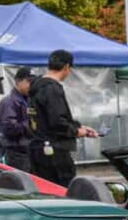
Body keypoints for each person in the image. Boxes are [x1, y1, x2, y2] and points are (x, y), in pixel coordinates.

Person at [29, 49, 97, 186]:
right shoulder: (52, 89)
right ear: (66, 67)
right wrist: (77, 131)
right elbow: (57, 122)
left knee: (43, 188)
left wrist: (79, 126)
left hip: (37, 148)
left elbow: (47, 118)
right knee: (63, 189)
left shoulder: (36, 87)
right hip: (55, 153)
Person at [0, 67, 35, 171]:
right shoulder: (9, 102)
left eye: (33, 82)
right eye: (29, 81)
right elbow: (9, 128)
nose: (32, 85)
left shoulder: (30, 100)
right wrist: (32, 123)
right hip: (17, 154)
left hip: (30, 151)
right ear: (18, 81)